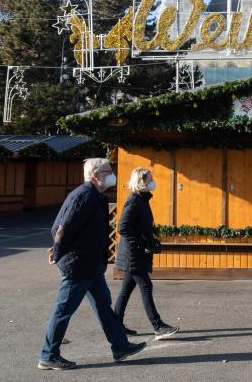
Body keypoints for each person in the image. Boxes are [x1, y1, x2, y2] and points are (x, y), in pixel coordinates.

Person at [38, 158, 147, 370]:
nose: (113, 174)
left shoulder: (97, 196)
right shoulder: (84, 196)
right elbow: (61, 228)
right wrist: (58, 251)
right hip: (78, 265)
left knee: (103, 305)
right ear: (96, 175)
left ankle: (120, 346)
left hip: (92, 264)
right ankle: (48, 355)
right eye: (108, 171)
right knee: (63, 310)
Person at [114, 167, 179, 339]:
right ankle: (157, 326)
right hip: (133, 254)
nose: (153, 181)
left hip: (134, 253)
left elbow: (138, 226)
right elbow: (123, 227)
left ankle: (115, 325)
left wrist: (149, 238)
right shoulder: (134, 200)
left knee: (126, 289)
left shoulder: (141, 200)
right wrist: (142, 241)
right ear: (141, 182)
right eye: (150, 179)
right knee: (146, 286)